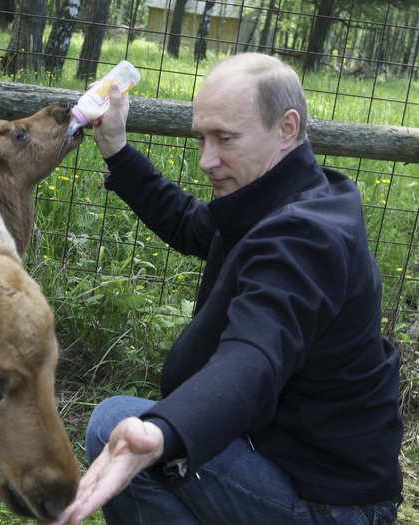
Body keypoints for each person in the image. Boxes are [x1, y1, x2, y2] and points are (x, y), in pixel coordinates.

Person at [48, 52, 403, 525]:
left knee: (115, 422)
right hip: (296, 462)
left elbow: (254, 354)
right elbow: (193, 225)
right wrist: (116, 147)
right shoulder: (279, 194)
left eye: (225, 138)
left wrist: (165, 431)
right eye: (201, 138)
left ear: (287, 128)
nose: (205, 160)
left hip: (331, 505)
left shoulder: (305, 238)